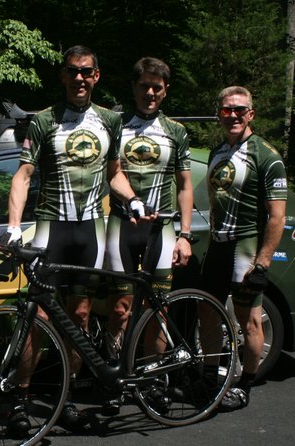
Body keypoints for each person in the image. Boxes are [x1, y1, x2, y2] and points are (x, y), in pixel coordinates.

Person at [1, 45, 149, 432]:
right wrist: (14, 225)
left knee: (80, 316)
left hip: (90, 229)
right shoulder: (44, 121)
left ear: (96, 76)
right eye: (72, 71)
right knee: (40, 317)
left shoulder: (109, 121)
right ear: (63, 76)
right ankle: (20, 399)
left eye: (86, 72)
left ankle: (63, 400)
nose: (80, 78)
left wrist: (131, 199)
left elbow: (114, 172)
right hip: (52, 226)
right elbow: (23, 175)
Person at [103, 57, 193, 414]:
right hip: (122, 224)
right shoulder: (116, 126)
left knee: (159, 309)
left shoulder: (176, 131)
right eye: (144, 86)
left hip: (162, 228)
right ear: (134, 87)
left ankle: (154, 379)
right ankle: (114, 376)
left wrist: (184, 234)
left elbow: (185, 186)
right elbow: (110, 174)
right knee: (119, 308)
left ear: (165, 90)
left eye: (157, 87)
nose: (150, 93)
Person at [201, 86, 287, 411]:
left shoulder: (267, 156)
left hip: (246, 246)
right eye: (226, 110)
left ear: (251, 113)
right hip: (218, 245)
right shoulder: (216, 152)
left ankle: (246, 385)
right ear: (219, 114)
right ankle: (209, 378)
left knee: (249, 320)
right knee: (206, 311)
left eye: (239, 109)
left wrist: (263, 263)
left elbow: (277, 216)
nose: (233, 115)